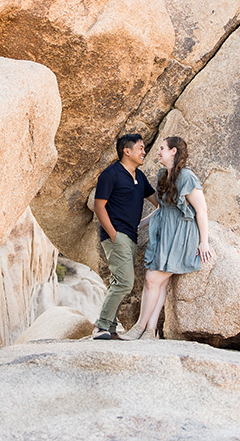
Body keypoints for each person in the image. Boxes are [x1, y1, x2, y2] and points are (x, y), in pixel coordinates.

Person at [121, 136, 212, 340]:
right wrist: (139, 225)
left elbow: (201, 210)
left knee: (152, 279)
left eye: (162, 148)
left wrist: (203, 241)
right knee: (159, 283)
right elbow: (163, 208)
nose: (158, 151)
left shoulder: (187, 176)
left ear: (173, 151)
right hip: (165, 233)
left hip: (181, 234)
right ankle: (150, 331)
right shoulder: (163, 174)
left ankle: (139, 327)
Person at [92, 133, 159, 340]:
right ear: (126, 151)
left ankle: (110, 328)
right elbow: (99, 206)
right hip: (116, 234)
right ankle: (100, 326)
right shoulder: (111, 174)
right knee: (125, 282)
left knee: (118, 281)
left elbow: (157, 201)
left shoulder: (140, 177)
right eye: (140, 148)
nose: (144, 151)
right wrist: (112, 233)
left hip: (131, 235)